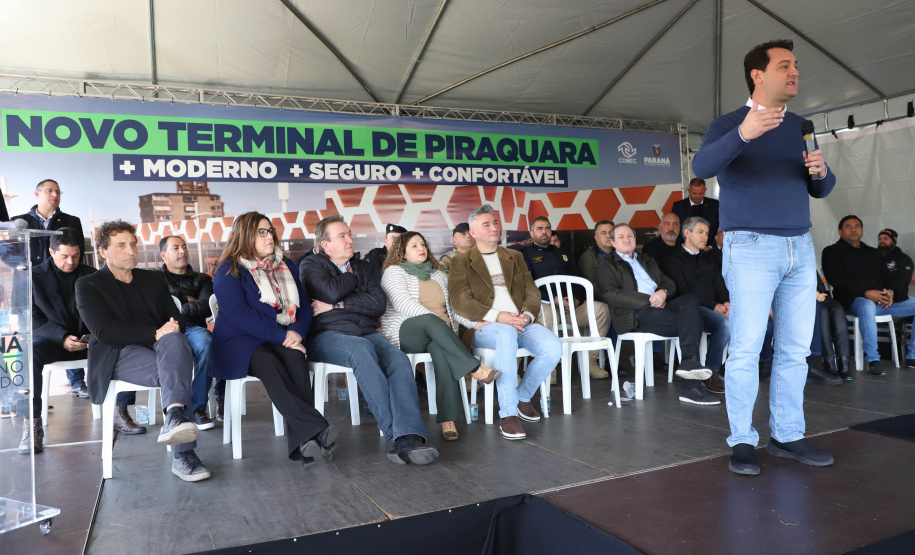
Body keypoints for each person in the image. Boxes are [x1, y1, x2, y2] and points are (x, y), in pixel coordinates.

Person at [692, 39, 837, 475]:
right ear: (758, 75)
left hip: (800, 246)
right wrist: (744, 134)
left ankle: (787, 436)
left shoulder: (801, 126)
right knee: (747, 349)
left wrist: (822, 171)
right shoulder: (728, 123)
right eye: (785, 65)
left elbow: (820, 189)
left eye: (796, 66)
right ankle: (742, 440)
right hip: (750, 247)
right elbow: (702, 167)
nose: (795, 72)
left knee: (795, 350)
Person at [76, 220, 210, 482]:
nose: (131, 251)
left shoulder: (152, 279)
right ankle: (184, 453)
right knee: (176, 368)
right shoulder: (88, 284)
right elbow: (104, 331)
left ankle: (173, 417)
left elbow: (175, 317)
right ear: (103, 252)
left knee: (176, 340)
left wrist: (168, 328)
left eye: (133, 244)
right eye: (121, 245)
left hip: (158, 349)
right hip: (118, 354)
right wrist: (155, 332)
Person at [302, 216, 439, 465]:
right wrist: (351, 282)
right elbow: (329, 290)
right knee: (361, 349)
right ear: (325, 245)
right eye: (342, 236)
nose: (350, 240)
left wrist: (339, 304)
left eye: (350, 234)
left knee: (398, 359)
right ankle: (394, 434)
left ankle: (409, 435)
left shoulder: (365, 266)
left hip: (365, 332)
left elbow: (378, 304)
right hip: (325, 337)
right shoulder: (311, 265)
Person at [210, 212, 337, 467]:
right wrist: (283, 336)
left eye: (270, 231)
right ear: (245, 236)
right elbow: (240, 316)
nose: (270, 236)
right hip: (238, 341)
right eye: (262, 232)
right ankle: (316, 427)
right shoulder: (228, 271)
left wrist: (296, 334)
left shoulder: (285, 265)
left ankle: (303, 444)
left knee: (295, 357)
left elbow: (302, 307)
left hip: (280, 336)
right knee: (268, 360)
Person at [449, 205, 562, 440]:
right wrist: (498, 316)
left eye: (495, 223)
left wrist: (527, 316)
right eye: (486, 224)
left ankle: (522, 397)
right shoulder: (461, 262)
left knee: (553, 347)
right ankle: (508, 413)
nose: (494, 228)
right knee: (505, 335)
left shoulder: (515, 256)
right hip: (486, 327)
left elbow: (532, 292)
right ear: (473, 232)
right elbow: (460, 302)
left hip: (521, 322)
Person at [380, 231, 499, 441]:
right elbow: (403, 304)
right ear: (402, 252)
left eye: (423, 244)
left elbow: (453, 310)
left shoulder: (438, 275)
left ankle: (448, 420)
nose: (421, 248)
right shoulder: (394, 272)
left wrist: (474, 323)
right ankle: (474, 367)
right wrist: (435, 321)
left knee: (441, 352)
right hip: (406, 333)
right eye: (414, 246)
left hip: (438, 335)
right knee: (430, 320)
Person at [595, 223, 719, 406]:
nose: (627, 240)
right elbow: (611, 294)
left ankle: (689, 364)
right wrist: (649, 300)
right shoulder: (606, 265)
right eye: (621, 237)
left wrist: (663, 293)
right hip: (635, 314)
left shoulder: (646, 260)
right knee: (693, 322)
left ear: (635, 239)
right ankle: (690, 385)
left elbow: (668, 282)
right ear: (612, 242)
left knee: (691, 301)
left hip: (661, 306)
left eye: (630, 235)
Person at [19, 228, 95, 455]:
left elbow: (105, 312)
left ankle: (121, 412)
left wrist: (95, 336)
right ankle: (32, 426)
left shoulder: (92, 274)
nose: (70, 262)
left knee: (122, 346)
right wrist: (61, 338)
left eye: (75, 255)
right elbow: (30, 317)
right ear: (51, 251)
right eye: (64, 256)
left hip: (91, 342)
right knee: (30, 353)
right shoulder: (32, 275)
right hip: (52, 341)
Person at [15, 179, 87, 396]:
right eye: (49, 191)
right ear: (37, 194)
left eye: (58, 191)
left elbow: (76, 251)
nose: (55, 195)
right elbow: (11, 253)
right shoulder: (19, 222)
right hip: (35, 283)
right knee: (35, 338)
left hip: (66, 284)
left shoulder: (71, 221)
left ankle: (78, 382)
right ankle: (26, 406)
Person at [517, 216, 610, 380]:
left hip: (569, 309)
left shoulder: (561, 253)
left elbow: (580, 279)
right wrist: (554, 299)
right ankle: (548, 367)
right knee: (547, 313)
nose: (544, 232)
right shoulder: (524, 255)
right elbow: (526, 285)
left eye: (547, 228)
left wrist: (576, 299)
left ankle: (589, 361)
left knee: (601, 309)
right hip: (544, 306)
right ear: (531, 232)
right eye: (539, 228)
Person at [822, 215, 915, 373]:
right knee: (866, 305)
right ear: (840, 231)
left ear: (862, 230)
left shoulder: (873, 253)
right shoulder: (831, 252)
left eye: (857, 226)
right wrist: (865, 293)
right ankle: (873, 359)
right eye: (848, 226)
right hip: (851, 302)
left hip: (880, 302)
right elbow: (836, 280)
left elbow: (888, 277)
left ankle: (912, 356)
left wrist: (890, 293)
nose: (853, 229)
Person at [660, 217, 730, 394]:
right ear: (686, 233)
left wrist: (726, 302)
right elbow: (684, 291)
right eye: (700, 232)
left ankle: (728, 366)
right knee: (724, 324)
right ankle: (711, 372)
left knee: (740, 320)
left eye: (706, 233)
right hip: (690, 310)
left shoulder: (709, 258)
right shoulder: (672, 259)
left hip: (714, 307)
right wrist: (714, 305)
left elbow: (719, 284)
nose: (704, 237)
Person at [159, 235, 217, 429]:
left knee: (207, 343)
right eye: (175, 248)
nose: (182, 251)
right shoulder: (153, 279)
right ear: (163, 255)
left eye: (184, 247)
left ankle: (197, 408)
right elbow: (152, 308)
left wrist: (175, 306)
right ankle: (173, 410)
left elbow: (206, 307)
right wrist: (188, 302)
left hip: (192, 327)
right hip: (162, 328)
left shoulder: (202, 279)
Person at [813, 270, 852, 381]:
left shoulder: (806, 260)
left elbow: (820, 284)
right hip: (803, 297)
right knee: (822, 312)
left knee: (838, 308)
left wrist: (818, 292)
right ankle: (829, 362)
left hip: (818, 296)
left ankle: (844, 364)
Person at [877, 228, 913, 303]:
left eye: (885, 238)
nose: (882, 241)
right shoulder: (873, 258)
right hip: (876, 300)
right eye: (880, 239)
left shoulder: (904, 259)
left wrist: (891, 292)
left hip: (898, 302)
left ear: (893, 242)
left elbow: (903, 281)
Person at [578, 220, 614, 287]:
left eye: (611, 232)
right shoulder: (588, 257)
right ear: (596, 238)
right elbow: (591, 285)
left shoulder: (621, 253)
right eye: (604, 233)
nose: (608, 236)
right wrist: (613, 295)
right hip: (600, 296)